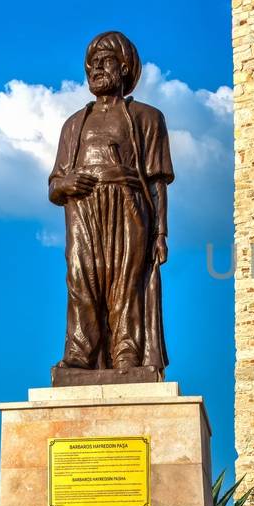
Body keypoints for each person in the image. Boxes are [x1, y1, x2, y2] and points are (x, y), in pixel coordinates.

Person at [48, 31, 173, 378]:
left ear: (125, 67)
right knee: (79, 278)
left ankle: (126, 355)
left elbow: (157, 181)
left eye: (105, 62)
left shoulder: (147, 118)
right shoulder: (74, 124)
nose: (96, 69)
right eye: (91, 64)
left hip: (128, 206)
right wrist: (67, 184)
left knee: (126, 283)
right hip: (83, 208)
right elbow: (54, 185)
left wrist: (161, 232)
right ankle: (80, 353)